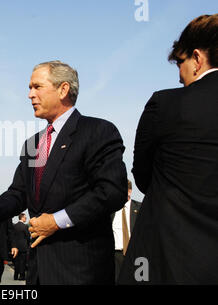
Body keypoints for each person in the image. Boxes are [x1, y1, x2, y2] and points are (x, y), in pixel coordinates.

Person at [0, 60, 127, 284]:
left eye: (37, 87)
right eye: (30, 87)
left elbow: (111, 191)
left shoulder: (98, 131)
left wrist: (57, 221)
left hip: (81, 271)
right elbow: (19, 194)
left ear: (63, 89)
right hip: (38, 271)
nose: (30, 94)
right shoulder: (33, 144)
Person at [118, 14, 218, 284]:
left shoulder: (165, 104)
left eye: (181, 63)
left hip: (169, 257)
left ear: (197, 59)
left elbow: (143, 176)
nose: (179, 75)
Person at [112, 179, 141, 282]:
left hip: (137, 255)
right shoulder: (111, 210)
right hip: (116, 256)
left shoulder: (141, 208)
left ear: (129, 191)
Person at [13, 213, 30, 281]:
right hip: (23, 246)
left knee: (16, 261)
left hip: (16, 247)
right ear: (22, 218)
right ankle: (22, 276)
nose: (26, 219)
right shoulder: (25, 226)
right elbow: (28, 236)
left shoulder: (14, 226)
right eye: (25, 218)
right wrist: (28, 244)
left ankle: (15, 276)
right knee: (22, 262)